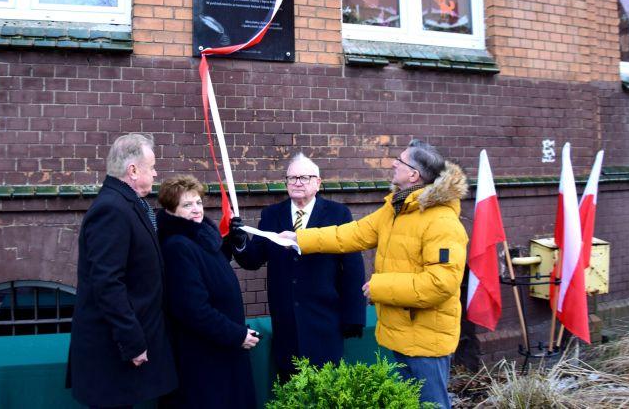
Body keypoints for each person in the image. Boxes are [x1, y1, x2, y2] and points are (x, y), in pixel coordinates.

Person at [278, 140, 468, 409]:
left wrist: (380, 286)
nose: (393, 164)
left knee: (431, 405)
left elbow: (441, 284)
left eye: (400, 161)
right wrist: (300, 238)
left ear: (413, 175)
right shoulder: (395, 210)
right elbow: (351, 233)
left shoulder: (442, 222)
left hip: (427, 340)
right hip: (402, 333)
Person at [229, 152, 366, 380]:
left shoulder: (338, 214)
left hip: (325, 320)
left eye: (304, 177)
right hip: (286, 322)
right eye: (292, 178)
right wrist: (240, 241)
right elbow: (253, 260)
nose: (297, 183)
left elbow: (352, 268)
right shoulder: (272, 214)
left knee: (325, 389)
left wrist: (353, 317)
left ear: (318, 183)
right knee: (289, 387)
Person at [69, 133, 177, 408]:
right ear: (132, 170)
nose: (155, 173)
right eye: (151, 167)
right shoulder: (111, 210)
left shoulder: (127, 203)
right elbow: (107, 282)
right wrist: (132, 341)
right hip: (113, 354)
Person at [157, 175, 258, 409]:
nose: (196, 210)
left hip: (222, 354)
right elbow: (192, 309)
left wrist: (232, 242)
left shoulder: (200, 238)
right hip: (203, 361)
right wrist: (236, 335)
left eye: (198, 203)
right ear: (171, 211)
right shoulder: (177, 246)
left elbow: (211, 275)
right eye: (187, 205)